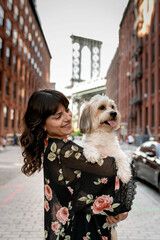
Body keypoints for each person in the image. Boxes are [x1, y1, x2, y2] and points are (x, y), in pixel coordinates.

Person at [20, 89, 136, 240]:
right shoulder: (63, 150)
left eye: (67, 110)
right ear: (43, 125)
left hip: (74, 226)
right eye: (58, 116)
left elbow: (82, 190)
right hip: (81, 230)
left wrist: (111, 209)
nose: (68, 117)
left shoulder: (54, 146)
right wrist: (120, 209)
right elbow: (112, 168)